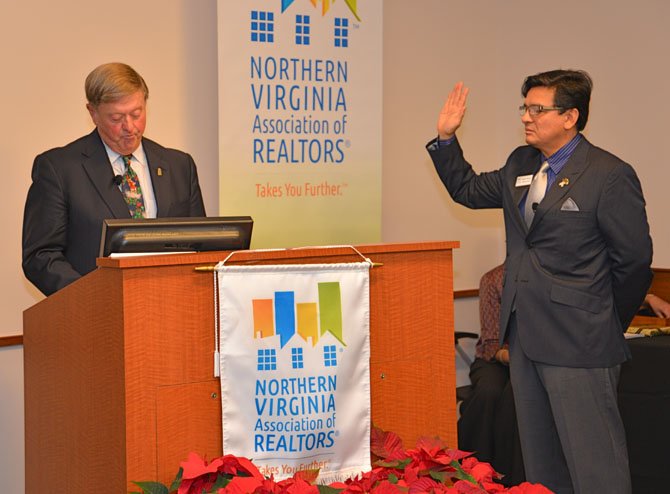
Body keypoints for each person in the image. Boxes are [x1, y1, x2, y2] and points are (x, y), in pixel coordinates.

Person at [427, 70, 653, 493]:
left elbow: (635, 262)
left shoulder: (608, 174)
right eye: (524, 108)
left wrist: (605, 319)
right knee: (541, 466)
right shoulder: (520, 163)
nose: (527, 118)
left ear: (570, 116)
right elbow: (468, 190)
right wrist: (445, 140)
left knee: (594, 468)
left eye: (537, 109)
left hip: (581, 342)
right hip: (526, 340)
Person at [22, 62, 206, 296]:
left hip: (171, 306)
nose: (130, 127)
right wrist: (94, 298)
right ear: (93, 113)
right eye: (117, 118)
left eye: (136, 114)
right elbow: (41, 256)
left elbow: (201, 246)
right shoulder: (59, 169)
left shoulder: (180, 166)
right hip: (97, 316)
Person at [458, 263, 525, 487]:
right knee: (488, 392)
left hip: (529, 360)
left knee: (514, 396)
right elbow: (491, 344)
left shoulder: (546, 279)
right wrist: (513, 357)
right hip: (495, 359)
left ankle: (509, 479)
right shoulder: (492, 279)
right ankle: (472, 469)